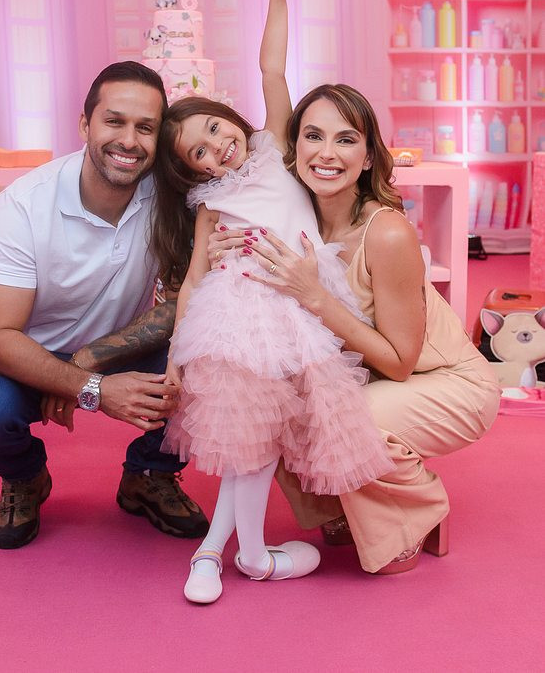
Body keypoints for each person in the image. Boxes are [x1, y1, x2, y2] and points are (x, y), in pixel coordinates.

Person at [151, 0, 394, 604]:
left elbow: (271, 68)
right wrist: (176, 356)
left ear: (229, 118)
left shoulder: (276, 147)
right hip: (241, 316)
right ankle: (248, 556)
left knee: (256, 439)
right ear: (193, 172)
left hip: (299, 302)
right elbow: (193, 280)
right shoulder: (212, 203)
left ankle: (218, 553)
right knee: (253, 439)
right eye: (199, 154)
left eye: (213, 130)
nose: (215, 149)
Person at [210, 83, 501, 575]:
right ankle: (346, 510)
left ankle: (417, 512)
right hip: (377, 378)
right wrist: (219, 254)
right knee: (275, 408)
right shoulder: (297, 221)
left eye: (345, 140)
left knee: (343, 418)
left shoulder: (386, 232)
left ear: (367, 158)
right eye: (313, 136)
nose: (326, 153)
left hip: (449, 382)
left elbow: (400, 362)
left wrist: (316, 297)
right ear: (294, 147)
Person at [0, 62, 208, 550]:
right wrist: (92, 389)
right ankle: (25, 475)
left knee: (213, 360)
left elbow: (188, 302)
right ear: (85, 124)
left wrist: (90, 363)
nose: (129, 140)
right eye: (114, 121)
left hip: (123, 349)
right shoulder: (24, 203)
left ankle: (149, 474)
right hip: (29, 355)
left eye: (145, 127)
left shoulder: (171, 196)